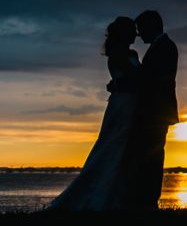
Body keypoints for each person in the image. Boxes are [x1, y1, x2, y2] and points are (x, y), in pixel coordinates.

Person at [47, 17, 141, 211]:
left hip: (128, 103)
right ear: (124, 33)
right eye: (132, 30)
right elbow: (134, 78)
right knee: (111, 148)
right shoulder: (119, 53)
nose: (136, 34)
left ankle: (117, 198)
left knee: (121, 150)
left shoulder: (126, 52)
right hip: (122, 104)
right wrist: (118, 85)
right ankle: (101, 198)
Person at [124, 10, 179, 210]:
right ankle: (144, 199)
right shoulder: (162, 46)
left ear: (151, 27)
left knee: (152, 157)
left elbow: (156, 79)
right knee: (147, 156)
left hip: (156, 112)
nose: (139, 35)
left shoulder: (165, 47)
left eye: (141, 30)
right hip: (154, 112)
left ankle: (148, 200)